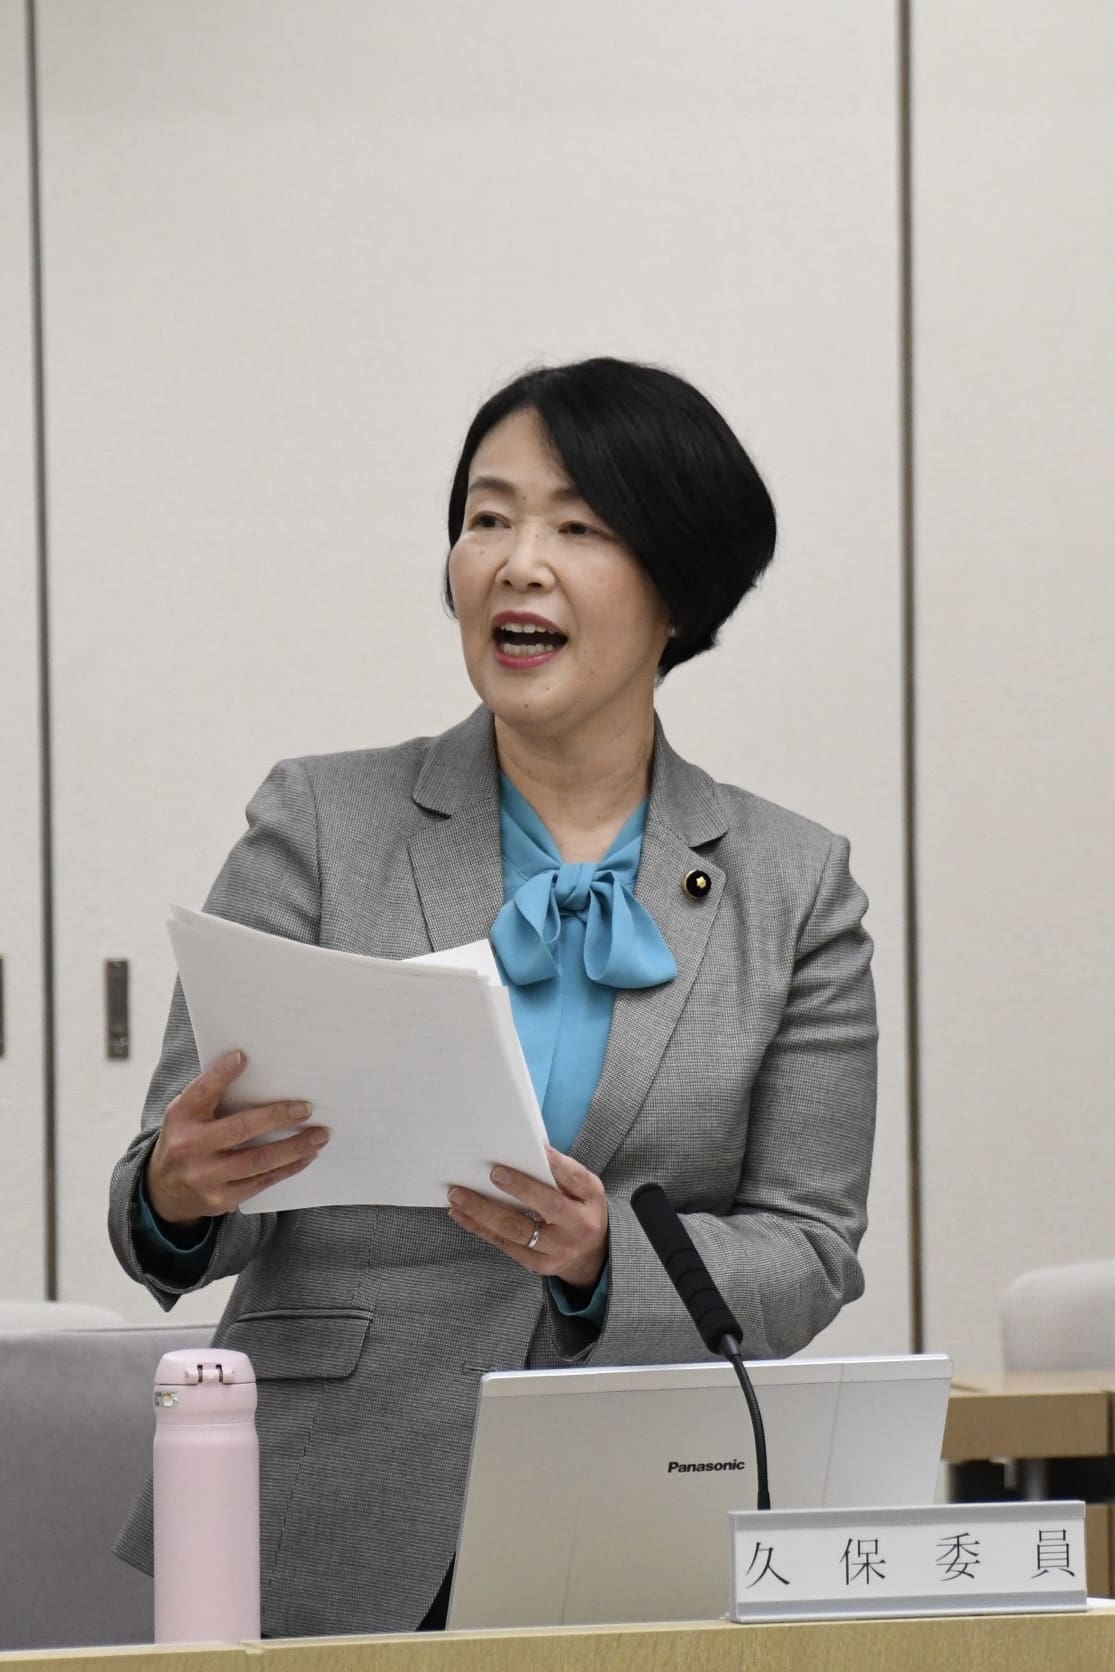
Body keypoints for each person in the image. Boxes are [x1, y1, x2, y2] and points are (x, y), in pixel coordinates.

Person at [108, 356, 877, 1638]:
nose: (517, 563)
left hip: (637, 1511)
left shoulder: (795, 887)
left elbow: (807, 1249)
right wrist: (177, 1191)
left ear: (677, 587)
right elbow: (167, 1203)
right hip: (325, 1511)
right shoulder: (320, 822)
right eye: (486, 517)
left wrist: (601, 1259)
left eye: (578, 527)